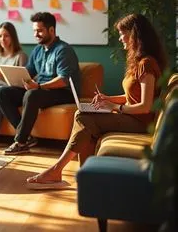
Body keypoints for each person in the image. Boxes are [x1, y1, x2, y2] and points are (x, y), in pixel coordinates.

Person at [26, 13, 167, 189]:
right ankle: (81, 175)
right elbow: (133, 97)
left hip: (141, 122)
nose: (121, 38)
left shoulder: (147, 64)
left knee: (84, 118)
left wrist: (115, 107)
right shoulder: (138, 62)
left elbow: (145, 106)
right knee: (83, 114)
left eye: (123, 34)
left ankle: (58, 170)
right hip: (134, 117)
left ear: (134, 34)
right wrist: (108, 99)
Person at [0, 12, 81, 155]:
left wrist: (39, 86)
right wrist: (16, 78)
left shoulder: (64, 50)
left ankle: (20, 142)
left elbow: (63, 80)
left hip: (64, 93)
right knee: (1, 92)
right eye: (34, 30)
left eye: (40, 31)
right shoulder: (38, 50)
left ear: (51, 30)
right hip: (40, 90)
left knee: (32, 94)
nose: (36, 34)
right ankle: (27, 137)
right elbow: (28, 72)